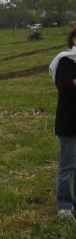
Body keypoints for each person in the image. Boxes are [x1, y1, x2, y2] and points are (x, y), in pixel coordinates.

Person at [49, 26, 76, 217]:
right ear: (74, 40)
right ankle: (65, 205)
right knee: (67, 166)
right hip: (69, 121)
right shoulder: (65, 62)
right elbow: (66, 89)